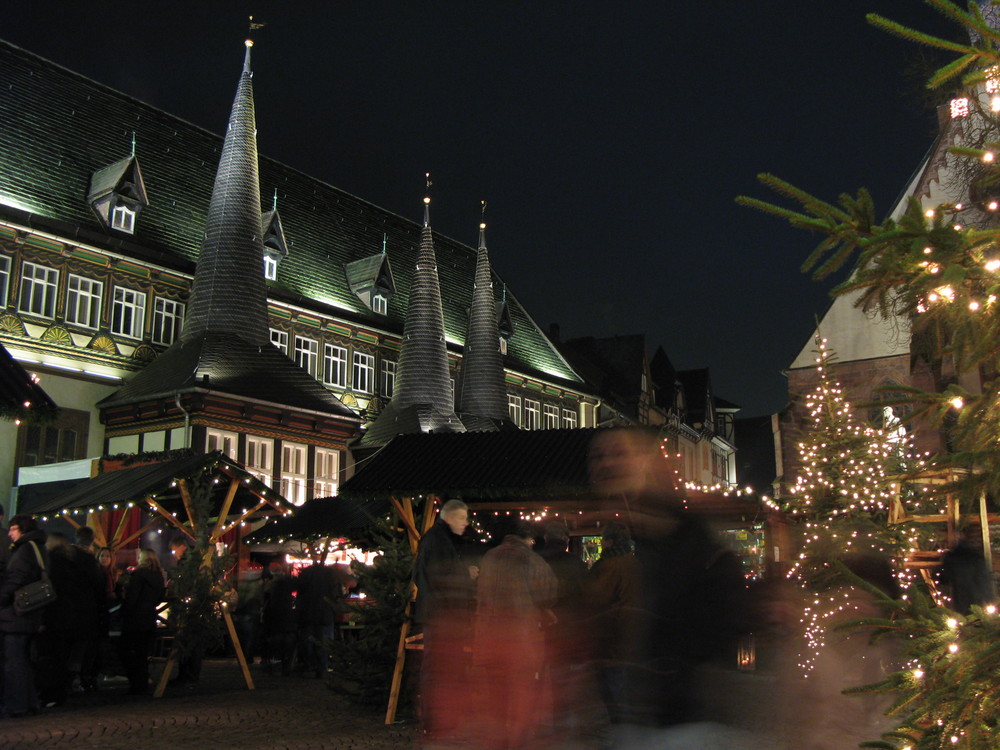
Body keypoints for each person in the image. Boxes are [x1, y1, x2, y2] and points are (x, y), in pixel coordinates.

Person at [588, 427, 747, 728]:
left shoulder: (696, 548)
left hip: (684, 724)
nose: (606, 464)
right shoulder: (643, 540)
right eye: (597, 456)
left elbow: (720, 633)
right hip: (645, 718)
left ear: (651, 463)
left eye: (620, 454)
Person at [473, 520, 557, 750]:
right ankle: (518, 742)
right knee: (522, 697)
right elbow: (548, 594)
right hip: (521, 641)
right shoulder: (532, 560)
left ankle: (498, 741)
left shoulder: (489, 557)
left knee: (497, 696)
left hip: (490, 638)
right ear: (528, 539)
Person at [411, 499, 479, 743]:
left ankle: (441, 721)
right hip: (443, 617)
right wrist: (467, 574)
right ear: (449, 518)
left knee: (441, 669)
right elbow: (442, 576)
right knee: (440, 670)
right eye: (462, 518)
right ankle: (437, 722)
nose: (466, 523)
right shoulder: (438, 541)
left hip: (440, 616)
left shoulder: (436, 539)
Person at [585, 520, 642, 723]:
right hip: (632, 634)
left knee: (612, 685)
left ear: (609, 541)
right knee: (624, 683)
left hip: (612, 635)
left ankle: (620, 727)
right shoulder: (634, 563)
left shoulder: (608, 565)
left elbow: (596, 600)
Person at [0, 514, 48, 717]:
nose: (9, 533)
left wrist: (2, 598)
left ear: (23, 530)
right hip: (30, 614)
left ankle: (17, 704)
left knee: (14, 661)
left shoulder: (24, 550)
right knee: (22, 660)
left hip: (17, 614)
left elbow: (15, 580)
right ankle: (29, 702)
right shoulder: (38, 548)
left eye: (13, 529)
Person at [118, 548, 166, 695]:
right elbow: (160, 597)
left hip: (135, 617)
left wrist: (124, 611)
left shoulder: (138, 574)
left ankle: (135, 682)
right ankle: (142, 681)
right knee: (142, 652)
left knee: (126, 650)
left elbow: (132, 597)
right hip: (150, 615)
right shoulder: (158, 575)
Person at [938, 526, 995, 615]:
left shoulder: (952, 557)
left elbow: (944, 579)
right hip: (978, 601)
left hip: (961, 601)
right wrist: (990, 600)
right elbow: (985, 581)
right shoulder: (977, 557)